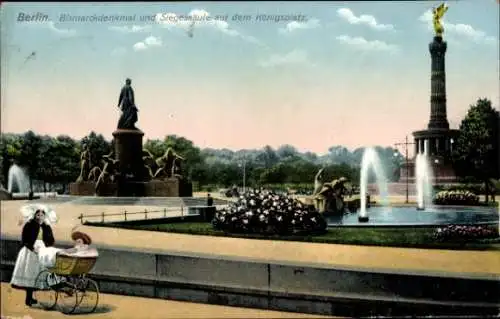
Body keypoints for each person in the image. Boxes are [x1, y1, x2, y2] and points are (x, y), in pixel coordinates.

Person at [11, 208, 55, 306]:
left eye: (42, 215)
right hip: (30, 252)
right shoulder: (29, 225)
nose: (40, 217)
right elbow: (24, 239)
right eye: (38, 215)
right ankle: (28, 298)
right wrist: (32, 248)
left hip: (42, 251)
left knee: (37, 274)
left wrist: (46, 246)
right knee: (30, 273)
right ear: (34, 216)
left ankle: (31, 298)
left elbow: (51, 240)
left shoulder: (46, 227)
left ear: (45, 216)